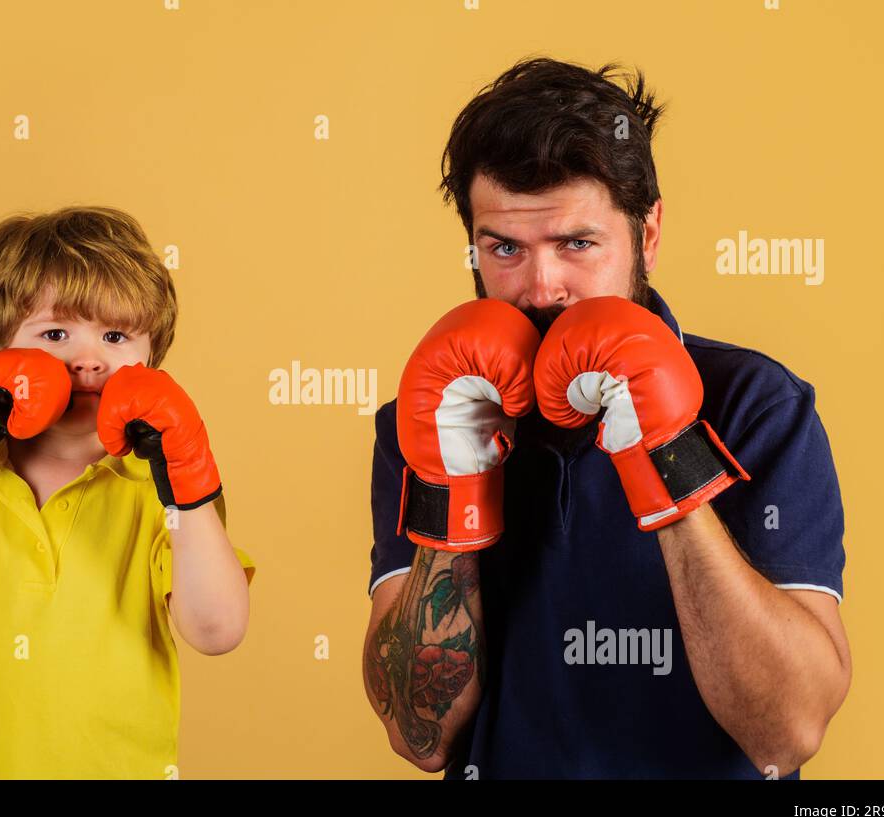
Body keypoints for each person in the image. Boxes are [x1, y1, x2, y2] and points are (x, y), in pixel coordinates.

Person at [363, 58, 850, 779]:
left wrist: (667, 456)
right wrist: (453, 491)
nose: (541, 286)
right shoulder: (429, 415)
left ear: (647, 233)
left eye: (577, 244)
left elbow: (788, 730)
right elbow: (419, 735)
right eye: (505, 248)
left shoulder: (757, 405)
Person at [0, 206, 254, 778]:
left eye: (115, 335)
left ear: (150, 359)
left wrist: (188, 487)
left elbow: (217, 631)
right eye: (55, 333)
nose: (88, 359)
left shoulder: (163, 491)